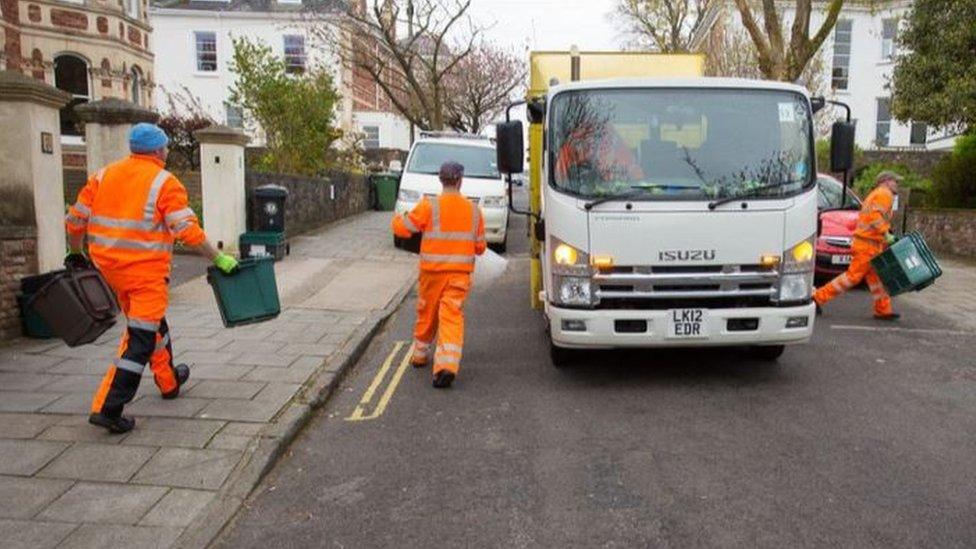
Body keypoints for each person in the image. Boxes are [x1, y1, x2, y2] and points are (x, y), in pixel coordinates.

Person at [65, 122, 239, 433]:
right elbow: (187, 231)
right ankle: (109, 407)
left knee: (152, 324)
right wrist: (219, 257)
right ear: (158, 150)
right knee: (139, 339)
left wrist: (77, 254)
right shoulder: (164, 182)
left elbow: (76, 220)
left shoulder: (104, 176)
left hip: (110, 272)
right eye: (167, 147)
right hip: (145, 274)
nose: (168, 151)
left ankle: (169, 381)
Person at [391, 161, 486, 388]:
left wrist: (399, 217)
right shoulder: (474, 211)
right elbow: (480, 247)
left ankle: (420, 355)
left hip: (432, 273)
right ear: (460, 180)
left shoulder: (428, 206)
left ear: (440, 180)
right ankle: (446, 367)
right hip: (459, 275)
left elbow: (401, 228)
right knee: (451, 317)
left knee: (427, 312)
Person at [813, 171, 902, 320]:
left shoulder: (875, 194)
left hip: (868, 244)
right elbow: (875, 217)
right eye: (895, 181)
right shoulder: (884, 194)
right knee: (852, 277)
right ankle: (817, 298)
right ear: (886, 181)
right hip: (868, 245)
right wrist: (886, 234)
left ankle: (883, 310)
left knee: (877, 280)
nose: (897, 184)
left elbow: (871, 216)